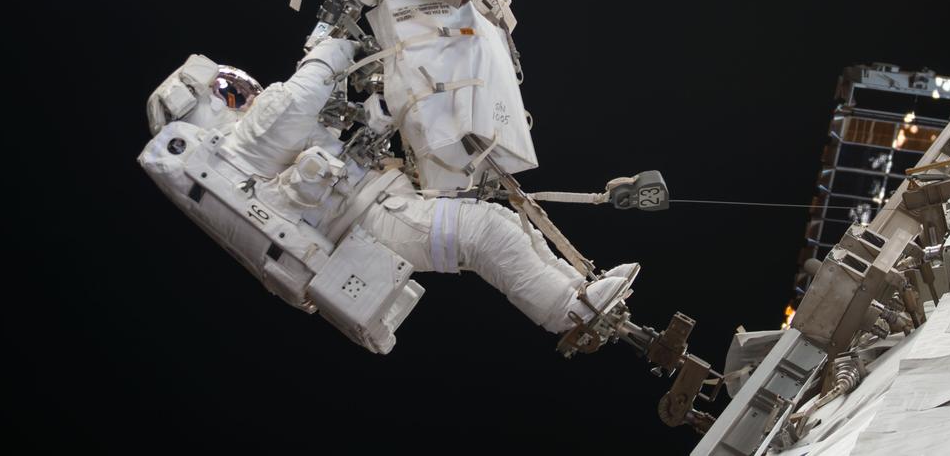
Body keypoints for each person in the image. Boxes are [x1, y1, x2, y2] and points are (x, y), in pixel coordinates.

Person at [138, 37, 634, 347]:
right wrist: (331, 46)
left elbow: (314, 117)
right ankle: (566, 312)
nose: (241, 93)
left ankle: (579, 293)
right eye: (227, 91)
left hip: (376, 204)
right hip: (370, 220)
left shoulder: (243, 154)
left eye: (235, 86)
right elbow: (295, 101)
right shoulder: (242, 143)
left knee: (500, 225)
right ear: (204, 108)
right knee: (483, 233)